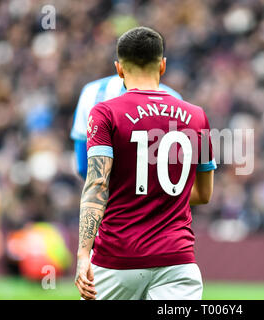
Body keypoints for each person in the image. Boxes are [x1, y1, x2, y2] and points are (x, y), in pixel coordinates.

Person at [74, 26, 216, 300]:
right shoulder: (197, 116)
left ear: (119, 69)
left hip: (117, 259)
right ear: (162, 66)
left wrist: (83, 253)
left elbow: (97, 184)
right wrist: (157, 198)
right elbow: (203, 194)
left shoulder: (104, 113)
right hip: (178, 262)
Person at [70, 74, 182, 179]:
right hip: (156, 195)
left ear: (119, 64)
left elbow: (83, 166)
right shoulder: (174, 98)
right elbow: (177, 168)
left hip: (107, 195)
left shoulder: (91, 91)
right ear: (162, 64)